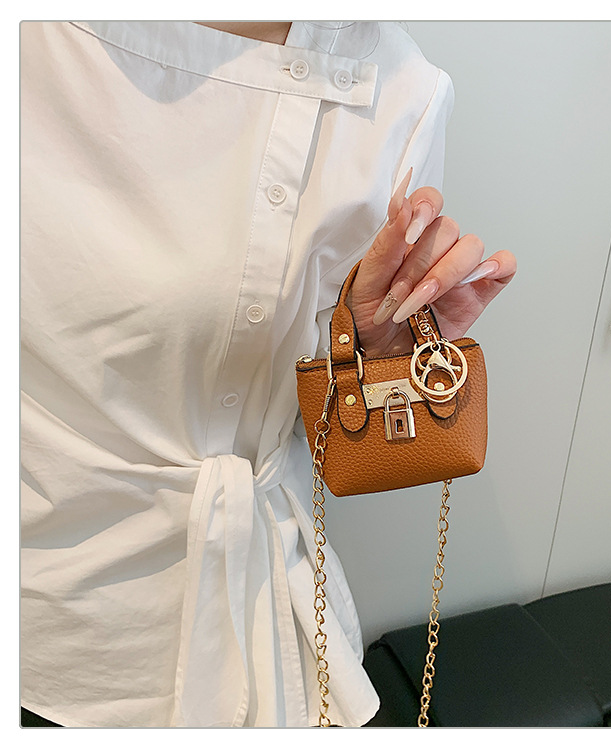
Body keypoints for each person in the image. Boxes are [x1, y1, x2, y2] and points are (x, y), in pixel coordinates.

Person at [20, 20, 516, 727]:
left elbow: (325, 435)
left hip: (275, 618)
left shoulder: (403, 87)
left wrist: (373, 351)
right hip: (51, 627)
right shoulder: (36, 46)